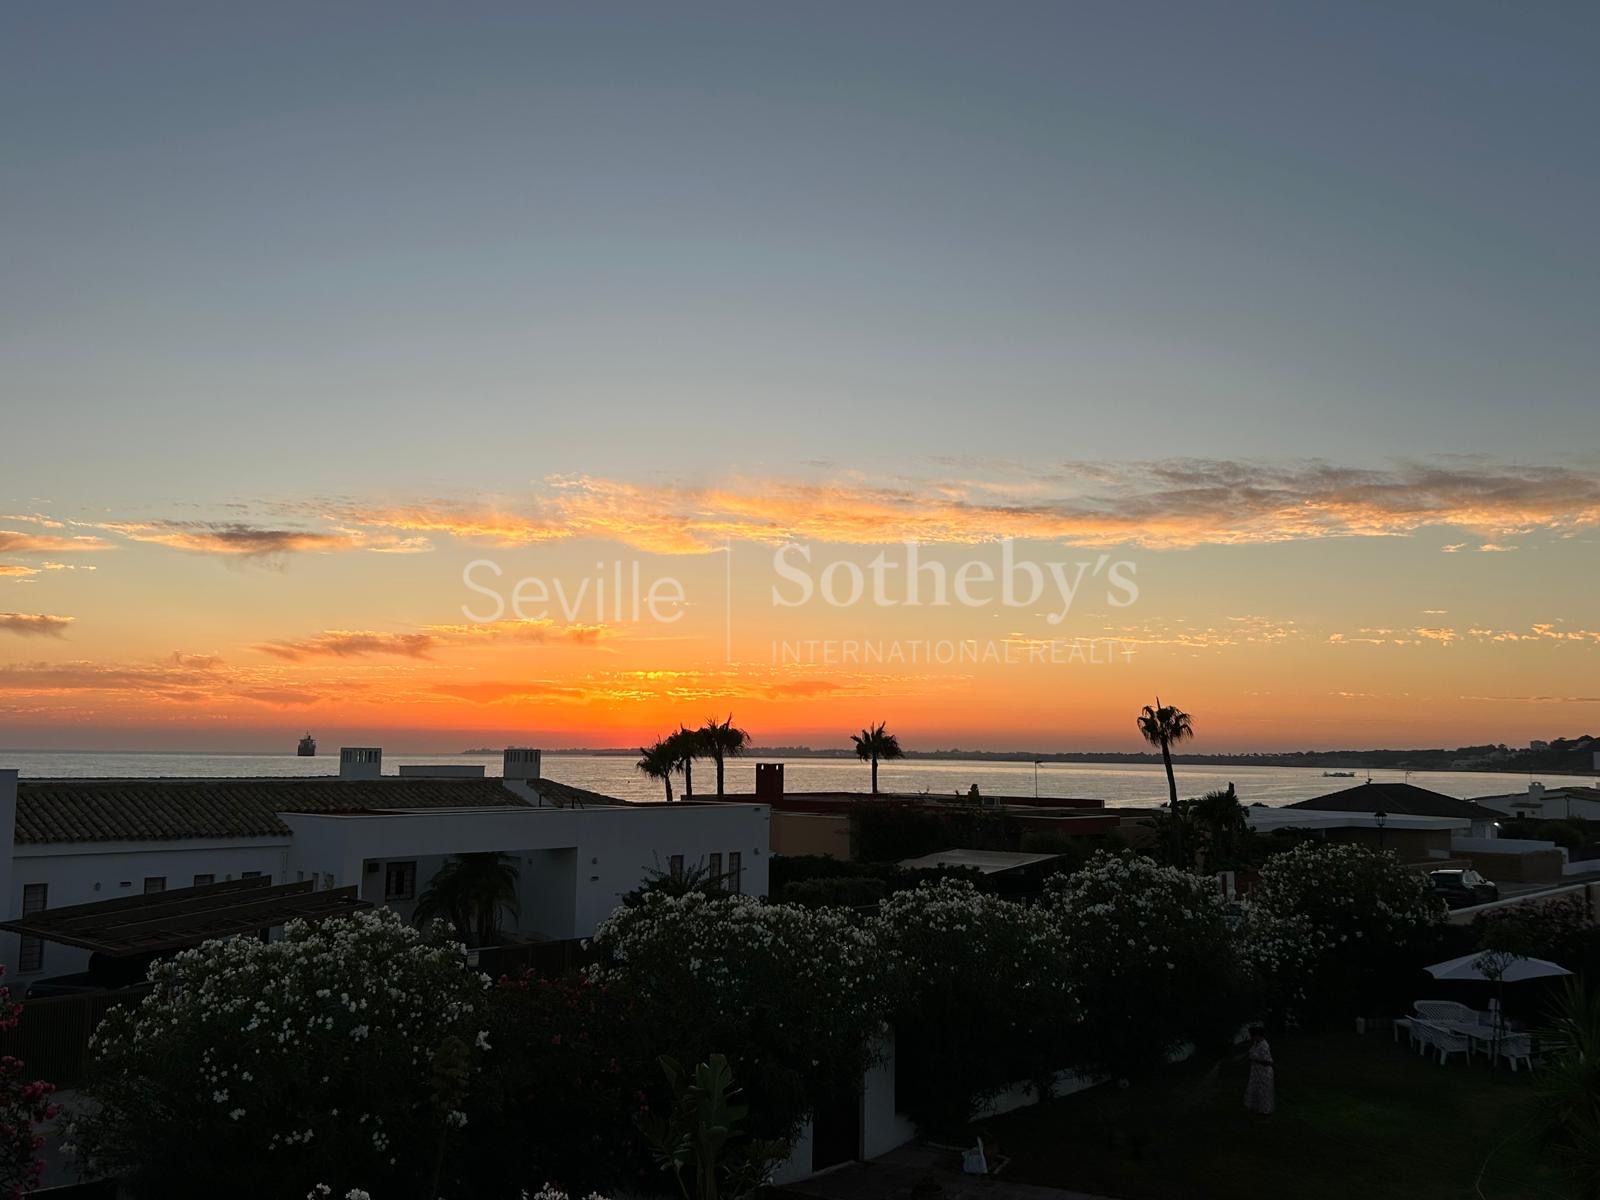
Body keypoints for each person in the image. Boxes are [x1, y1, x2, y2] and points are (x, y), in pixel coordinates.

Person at [1244, 1024, 1275, 1116]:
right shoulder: (1256, 1044)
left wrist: (1255, 1060)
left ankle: (1264, 1112)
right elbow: (1250, 1053)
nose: (1252, 1038)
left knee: (1263, 1092)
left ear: (1258, 1035)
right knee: (1256, 1090)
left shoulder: (1264, 1046)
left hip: (1264, 1072)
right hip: (1256, 1072)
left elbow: (1267, 1061)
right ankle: (1256, 1109)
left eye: (1253, 1036)